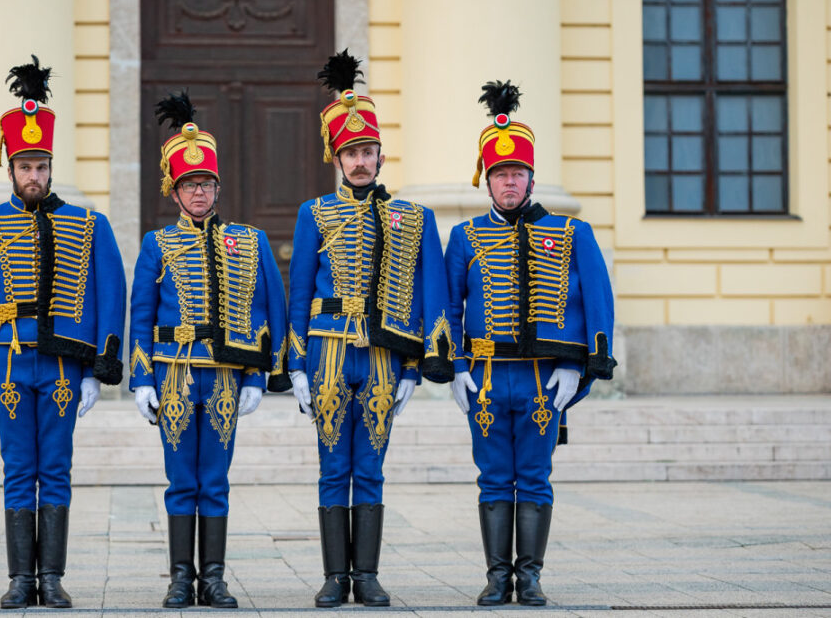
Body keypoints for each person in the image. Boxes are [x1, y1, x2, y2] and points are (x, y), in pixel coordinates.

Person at [287, 51, 454, 608]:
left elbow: (431, 295)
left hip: (385, 355)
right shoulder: (314, 214)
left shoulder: (415, 217)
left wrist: (419, 365)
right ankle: (336, 576)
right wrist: (296, 365)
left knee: (372, 468)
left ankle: (369, 574)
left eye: (367, 151)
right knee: (333, 464)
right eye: (351, 153)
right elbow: (299, 292)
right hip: (330, 352)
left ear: (381, 155)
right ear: (337, 157)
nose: (360, 161)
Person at [0, 56, 127, 609]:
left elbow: (111, 297)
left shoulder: (88, 223)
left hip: (61, 365)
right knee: (18, 469)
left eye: (41, 166)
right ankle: (19, 579)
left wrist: (98, 373)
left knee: (55, 468)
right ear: (9, 168)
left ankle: (51, 578)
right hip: (9, 362)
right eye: (24, 166)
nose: (33, 175)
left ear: (52, 167)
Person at [445, 81, 617, 606]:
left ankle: (532, 576)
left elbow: (597, 300)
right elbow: (450, 307)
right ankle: (498, 577)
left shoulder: (572, 232)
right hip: (489, 376)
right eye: (499, 174)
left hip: (547, 375)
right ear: (486, 181)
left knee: (535, 476)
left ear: (531, 177)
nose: (509, 182)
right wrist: (454, 365)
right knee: (493, 475)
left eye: (517, 173)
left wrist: (583, 365)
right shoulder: (466, 238)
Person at [129, 91, 292, 610]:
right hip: (174, 375)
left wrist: (257, 376)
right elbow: (139, 316)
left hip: (225, 375)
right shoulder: (156, 245)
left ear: (217, 188)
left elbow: (269, 311)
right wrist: (140, 379)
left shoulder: (250, 240)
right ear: (173, 191)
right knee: (181, 480)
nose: (198, 192)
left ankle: (214, 578)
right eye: (188, 185)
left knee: (215, 479)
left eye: (205, 184)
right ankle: (180, 578)